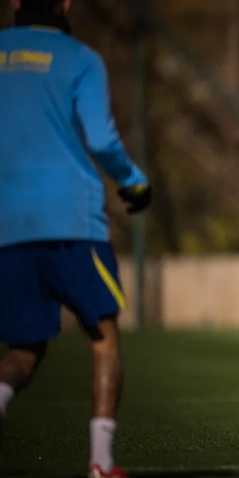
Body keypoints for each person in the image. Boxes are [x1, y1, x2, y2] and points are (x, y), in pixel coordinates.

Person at [0, 0, 151, 475]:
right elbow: (103, 141)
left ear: (15, 3)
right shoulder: (80, 58)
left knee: (24, 351)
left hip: (8, 226)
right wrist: (133, 182)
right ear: (66, 4)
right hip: (72, 221)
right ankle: (102, 465)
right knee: (102, 338)